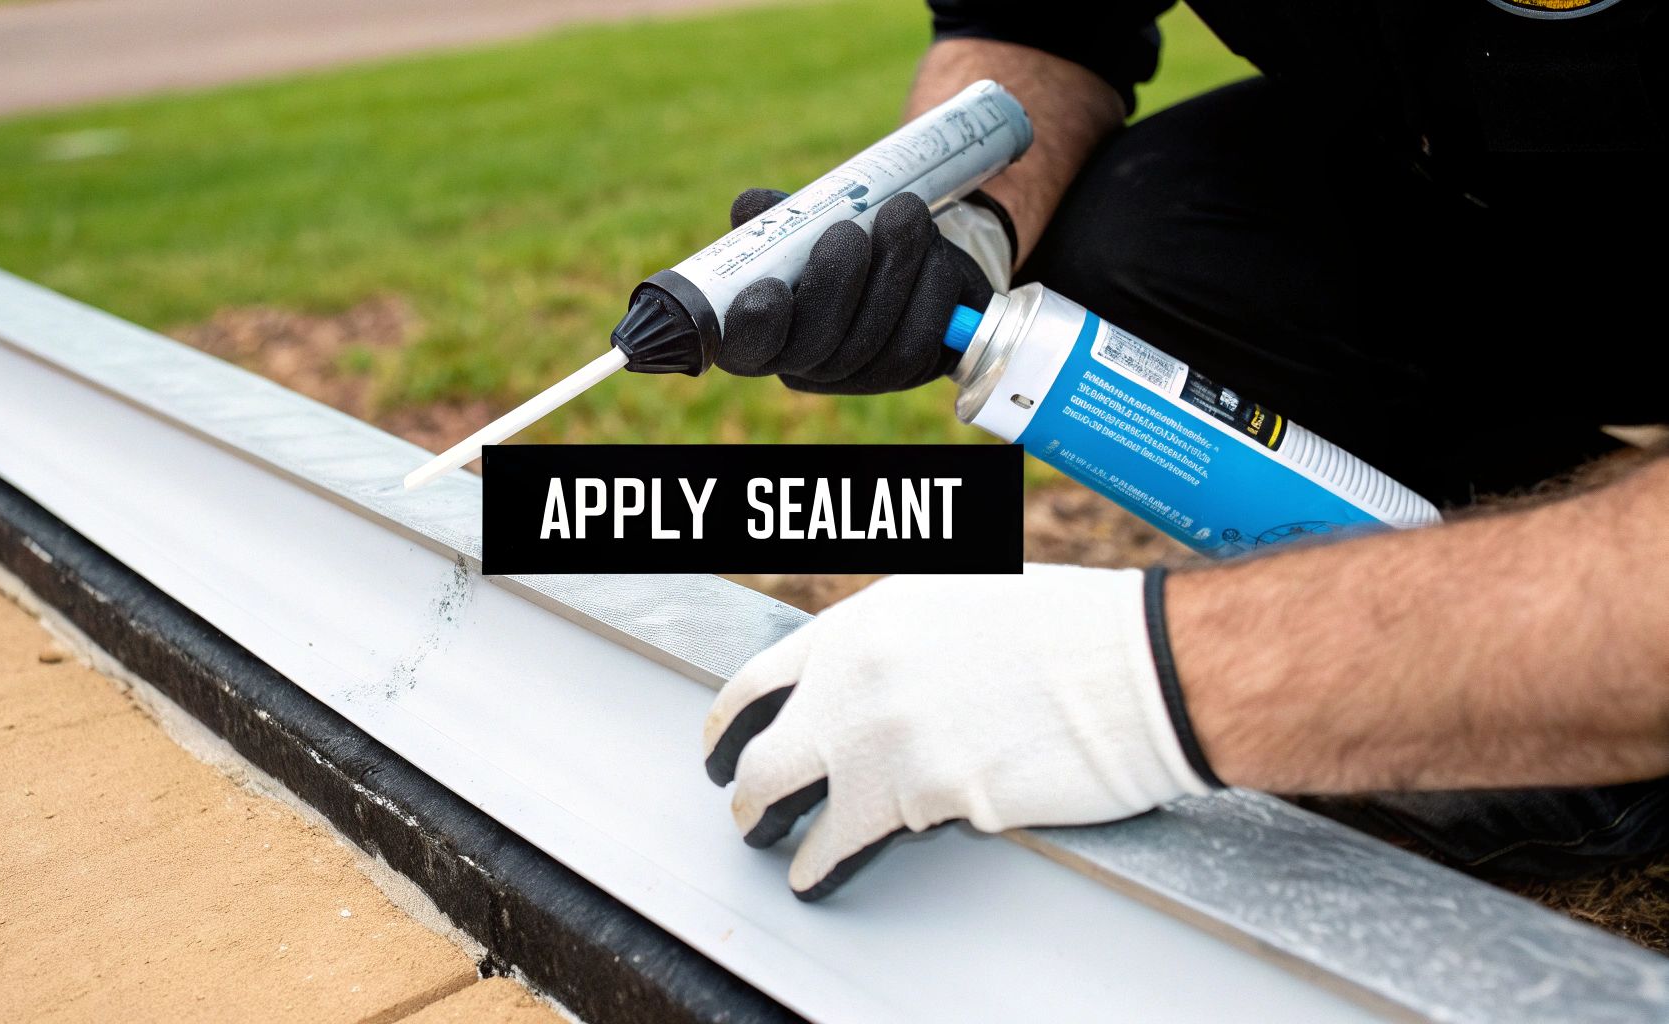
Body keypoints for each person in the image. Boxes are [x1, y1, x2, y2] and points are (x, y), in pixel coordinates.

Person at [700, 0, 1669, 901]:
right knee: (1139, 233)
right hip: (1472, 194)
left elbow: (1146, 682)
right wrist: (970, 222)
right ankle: (1505, 654)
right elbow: (1036, 21)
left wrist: (1142, 681)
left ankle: (1578, 663)